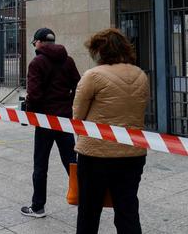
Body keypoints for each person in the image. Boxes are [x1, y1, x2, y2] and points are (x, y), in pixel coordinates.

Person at [72, 28, 149, 234]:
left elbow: (77, 117)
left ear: (101, 51)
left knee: (89, 211)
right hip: (133, 153)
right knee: (128, 210)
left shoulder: (93, 76)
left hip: (95, 154)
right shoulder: (141, 75)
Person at [21, 28, 80, 218]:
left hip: (45, 120)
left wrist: (30, 114)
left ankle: (38, 207)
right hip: (63, 119)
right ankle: (86, 199)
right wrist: (67, 105)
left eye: (34, 43)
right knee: (71, 162)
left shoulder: (37, 63)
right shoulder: (68, 60)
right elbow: (78, 86)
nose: (34, 46)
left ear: (39, 42)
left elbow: (35, 94)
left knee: (40, 164)